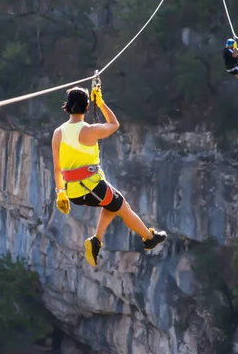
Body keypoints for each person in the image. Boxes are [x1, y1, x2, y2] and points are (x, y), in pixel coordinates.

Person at [51, 83, 167, 267]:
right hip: (91, 186)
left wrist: (60, 193)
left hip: (73, 192)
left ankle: (97, 240)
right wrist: (101, 102)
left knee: (111, 205)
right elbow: (114, 124)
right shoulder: (90, 130)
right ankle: (149, 238)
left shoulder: (58, 133)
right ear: (87, 106)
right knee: (123, 207)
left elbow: (57, 168)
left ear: (67, 106)